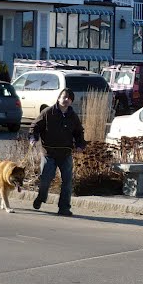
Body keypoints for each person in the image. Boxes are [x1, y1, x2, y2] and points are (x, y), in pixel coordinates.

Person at [29, 88, 86, 216]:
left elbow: (78, 132)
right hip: (49, 153)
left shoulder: (73, 116)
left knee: (67, 181)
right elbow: (35, 127)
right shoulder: (48, 112)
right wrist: (33, 138)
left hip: (65, 153)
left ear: (71, 101)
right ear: (59, 98)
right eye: (64, 97)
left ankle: (64, 208)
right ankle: (41, 198)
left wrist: (80, 145)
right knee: (45, 179)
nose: (66, 100)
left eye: (69, 98)